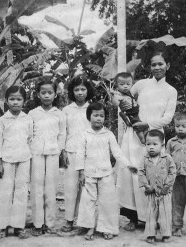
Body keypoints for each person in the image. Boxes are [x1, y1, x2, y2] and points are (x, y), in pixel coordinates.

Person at [118, 51, 178, 231]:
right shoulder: (141, 84)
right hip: (133, 135)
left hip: (154, 137)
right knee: (131, 175)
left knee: (153, 175)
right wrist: (123, 107)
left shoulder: (170, 91)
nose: (157, 67)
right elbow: (123, 98)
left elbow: (168, 118)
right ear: (150, 67)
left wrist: (148, 124)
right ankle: (133, 218)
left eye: (161, 64)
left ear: (168, 65)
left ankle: (153, 217)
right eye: (154, 64)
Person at [75, 102, 138, 241]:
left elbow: (117, 153)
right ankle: (89, 226)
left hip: (106, 173)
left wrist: (128, 165)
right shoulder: (84, 134)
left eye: (101, 116)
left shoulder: (108, 134)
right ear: (89, 117)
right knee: (87, 201)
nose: (98, 118)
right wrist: (80, 172)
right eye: (95, 115)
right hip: (89, 173)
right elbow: (80, 154)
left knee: (107, 202)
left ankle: (107, 228)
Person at [0, 86, 33, 239]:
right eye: (12, 99)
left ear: (24, 101)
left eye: (19, 99)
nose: (15, 102)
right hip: (6, 160)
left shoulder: (27, 119)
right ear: (6, 101)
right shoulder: (2, 121)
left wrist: (28, 156)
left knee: (21, 192)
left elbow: (30, 138)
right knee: (5, 192)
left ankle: (18, 226)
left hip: (24, 159)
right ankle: (4, 226)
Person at [29, 80, 66, 236]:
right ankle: (38, 224)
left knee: (50, 189)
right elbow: (29, 134)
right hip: (36, 153)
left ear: (55, 94)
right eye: (43, 92)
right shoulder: (32, 114)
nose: (46, 95)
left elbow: (62, 134)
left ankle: (49, 223)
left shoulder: (59, 114)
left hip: (52, 154)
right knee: (37, 189)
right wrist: (32, 150)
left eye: (49, 92)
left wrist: (58, 150)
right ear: (38, 95)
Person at [60, 75, 94, 232]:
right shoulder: (66, 110)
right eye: (76, 89)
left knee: (87, 188)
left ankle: (85, 221)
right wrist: (63, 151)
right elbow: (62, 132)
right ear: (72, 92)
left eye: (83, 89)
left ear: (88, 91)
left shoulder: (93, 109)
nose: (80, 92)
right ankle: (68, 220)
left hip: (89, 153)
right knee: (70, 187)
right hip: (71, 151)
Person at [139, 130, 176, 244]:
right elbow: (141, 173)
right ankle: (150, 234)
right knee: (151, 214)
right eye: (148, 144)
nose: (151, 147)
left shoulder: (167, 158)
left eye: (155, 144)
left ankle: (166, 234)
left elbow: (172, 172)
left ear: (162, 145)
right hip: (151, 192)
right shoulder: (145, 159)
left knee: (165, 213)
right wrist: (146, 185)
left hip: (164, 192)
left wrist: (167, 186)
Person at [111, 72, 147, 144]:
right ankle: (142, 140)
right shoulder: (118, 95)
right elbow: (116, 104)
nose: (125, 86)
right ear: (117, 86)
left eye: (128, 84)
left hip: (138, 112)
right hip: (131, 113)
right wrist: (113, 96)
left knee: (145, 125)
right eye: (122, 84)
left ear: (131, 85)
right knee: (137, 126)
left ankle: (147, 138)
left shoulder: (129, 92)